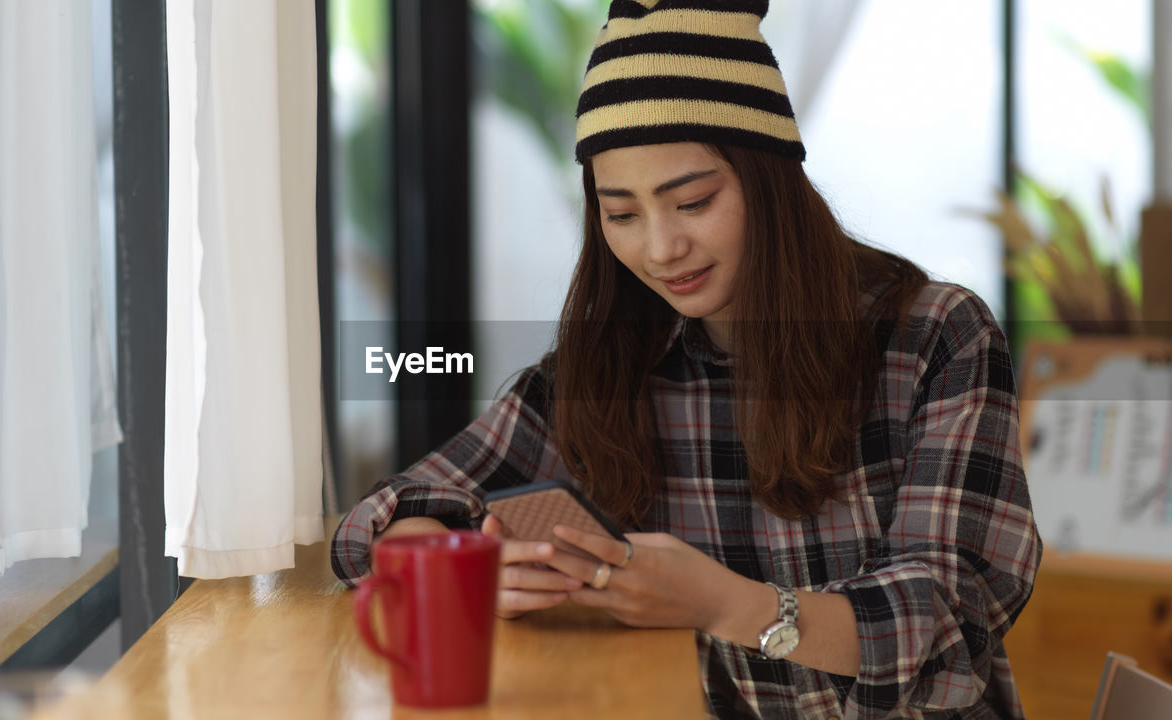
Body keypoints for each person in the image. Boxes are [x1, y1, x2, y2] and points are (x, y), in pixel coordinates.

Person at [330, 0, 1042, 717]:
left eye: (693, 202)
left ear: (769, 180)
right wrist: (470, 564)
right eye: (623, 214)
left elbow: (950, 623)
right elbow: (382, 519)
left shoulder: (936, 337)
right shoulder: (613, 366)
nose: (661, 248)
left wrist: (727, 603)